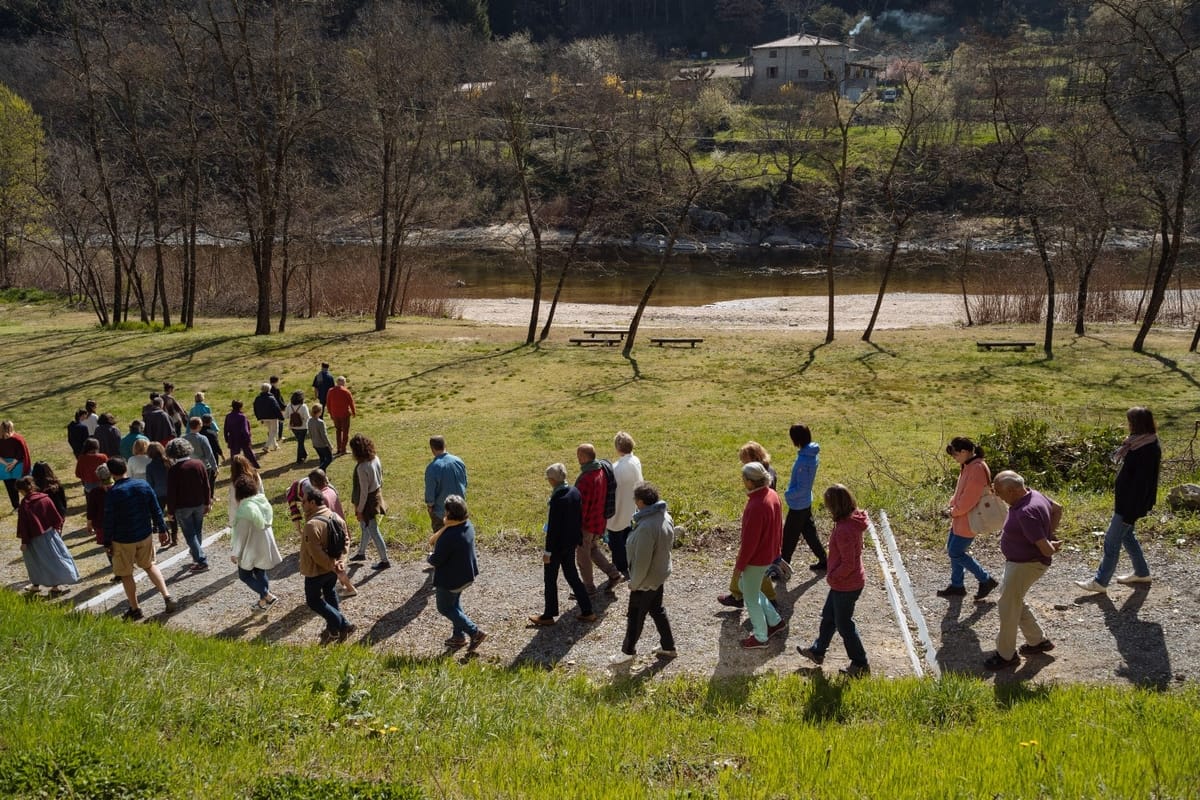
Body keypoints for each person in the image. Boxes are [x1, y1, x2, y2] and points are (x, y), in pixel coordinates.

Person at [1075, 407, 1161, 593]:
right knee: (1127, 536)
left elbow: (1142, 485)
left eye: (1130, 421)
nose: (1127, 424)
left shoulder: (1147, 449)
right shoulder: (1138, 443)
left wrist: (1130, 513)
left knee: (1111, 541)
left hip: (1129, 506)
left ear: (1137, 424)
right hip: (1126, 503)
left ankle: (1100, 582)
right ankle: (1142, 573)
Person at [985, 470, 1062, 670]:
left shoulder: (1025, 513)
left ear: (1012, 490)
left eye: (999, 491)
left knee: (1008, 607)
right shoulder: (1034, 494)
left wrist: (1051, 542)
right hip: (1021, 563)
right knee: (1014, 600)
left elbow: (1047, 549)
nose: (997, 495)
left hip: (1025, 564)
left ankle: (1006, 655)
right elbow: (1057, 508)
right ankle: (1037, 641)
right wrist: (1050, 532)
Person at [796, 484, 871, 677]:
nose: (826, 507)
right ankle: (817, 651)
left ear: (835, 506)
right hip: (845, 583)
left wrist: (833, 575)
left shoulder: (844, 530)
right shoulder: (851, 521)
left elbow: (849, 563)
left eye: (828, 504)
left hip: (846, 584)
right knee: (829, 617)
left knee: (844, 624)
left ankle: (860, 663)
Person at [610, 481, 676, 666]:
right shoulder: (665, 516)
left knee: (635, 616)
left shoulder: (646, 526)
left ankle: (627, 652)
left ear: (641, 502)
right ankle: (668, 647)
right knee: (656, 609)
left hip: (646, 580)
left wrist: (635, 583)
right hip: (660, 573)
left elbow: (642, 561)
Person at [103, 458, 177, 620]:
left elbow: (109, 520)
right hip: (144, 534)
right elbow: (156, 509)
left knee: (126, 574)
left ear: (111, 474)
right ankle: (167, 596)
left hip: (123, 539)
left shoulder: (113, 493)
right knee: (150, 565)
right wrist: (163, 529)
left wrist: (107, 541)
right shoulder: (143, 485)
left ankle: (135, 609)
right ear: (125, 469)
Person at [529, 463, 596, 626]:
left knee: (550, 579)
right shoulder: (574, 491)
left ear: (553, 480)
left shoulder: (557, 500)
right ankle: (587, 610)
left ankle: (548, 614)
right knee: (572, 576)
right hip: (571, 542)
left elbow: (553, 530)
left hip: (557, 546)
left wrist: (547, 552)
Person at [938, 437, 1000, 601]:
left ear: (964, 452)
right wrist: (952, 507)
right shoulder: (969, 465)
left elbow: (969, 498)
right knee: (953, 550)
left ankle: (986, 579)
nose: (955, 458)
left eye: (955, 455)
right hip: (960, 518)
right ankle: (957, 586)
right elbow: (961, 492)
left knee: (955, 552)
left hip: (968, 519)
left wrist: (954, 512)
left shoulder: (977, 468)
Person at [719, 444, 779, 609]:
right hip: (767, 540)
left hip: (761, 540)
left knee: (751, 567)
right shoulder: (767, 484)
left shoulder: (762, 490)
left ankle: (746, 599)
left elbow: (763, 512)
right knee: (760, 571)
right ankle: (743, 596)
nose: (742, 465)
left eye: (744, 461)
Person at [736, 461, 786, 649]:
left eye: (743, 479)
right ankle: (775, 621)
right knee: (746, 586)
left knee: (749, 597)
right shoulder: (772, 495)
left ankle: (760, 637)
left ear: (750, 482)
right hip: (770, 554)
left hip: (756, 560)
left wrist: (740, 565)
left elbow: (749, 543)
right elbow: (779, 527)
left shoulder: (755, 506)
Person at [428, 494, 486, 650]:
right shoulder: (467, 525)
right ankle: (458, 637)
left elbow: (436, 560)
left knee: (445, 608)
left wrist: (430, 557)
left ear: (449, 513)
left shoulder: (448, 535)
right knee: (454, 605)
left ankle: (475, 632)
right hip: (466, 575)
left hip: (451, 580)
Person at [300, 488, 356, 644]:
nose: (301, 504)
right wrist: (341, 562)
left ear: (312, 502)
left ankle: (343, 624)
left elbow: (316, 554)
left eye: (303, 501)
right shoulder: (336, 517)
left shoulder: (311, 525)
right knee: (330, 593)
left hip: (315, 571)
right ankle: (333, 630)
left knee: (313, 600)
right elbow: (346, 540)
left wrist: (332, 565)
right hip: (332, 569)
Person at [287, 469, 354, 596]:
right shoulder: (331, 490)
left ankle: (350, 588)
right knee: (339, 565)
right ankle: (348, 588)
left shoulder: (320, 498)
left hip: (329, 536)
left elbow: (321, 521)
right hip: (339, 531)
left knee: (336, 567)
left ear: (313, 483)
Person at [15, 476, 80, 595]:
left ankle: (36, 585)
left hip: (35, 538)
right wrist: (56, 529)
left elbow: (24, 525)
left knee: (35, 562)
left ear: (22, 490)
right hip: (51, 535)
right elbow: (55, 516)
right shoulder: (45, 498)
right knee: (55, 558)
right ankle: (55, 586)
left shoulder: (26, 503)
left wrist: (24, 542)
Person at [574, 443, 623, 596]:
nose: (577, 458)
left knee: (582, 557)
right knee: (593, 550)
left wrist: (575, 526)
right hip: (599, 521)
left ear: (583, 457)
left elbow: (581, 506)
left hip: (587, 524)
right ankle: (614, 574)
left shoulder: (586, 479)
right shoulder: (601, 469)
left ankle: (588, 588)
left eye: (578, 456)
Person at [230, 475, 282, 612]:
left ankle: (267, 595)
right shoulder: (262, 501)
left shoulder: (245, 509)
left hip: (251, 547)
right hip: (264, 543)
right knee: (260, 571)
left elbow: (240, 535)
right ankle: (263, 602)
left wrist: (235, 553)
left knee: (244, 575)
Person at [783, 423, 825, 573]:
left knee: (788, 538)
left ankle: (782, 568)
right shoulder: (810, 454)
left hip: (798, 505)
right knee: (809, 533)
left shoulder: (803, 461)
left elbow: (802, 488)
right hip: (805, 502)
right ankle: (824, 560)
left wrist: (788, 494)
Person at [166, 438, 212, 573]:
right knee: (197, 531)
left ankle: (201, 559)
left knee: (189, 534)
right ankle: (197, 553)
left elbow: (171, 493)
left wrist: (170, 510)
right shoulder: (198, 464)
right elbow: (206, 485)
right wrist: (207, 502)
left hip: (182, 507)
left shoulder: (173, 470)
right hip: (199, 504)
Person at [349, 434, 389, 569]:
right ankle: (361, 552)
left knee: (373, 530)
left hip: (368, 502)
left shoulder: (362, 468)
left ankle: (385, 560)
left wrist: (359, 510)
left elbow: (364, 492)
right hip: (377, 494)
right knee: (364, 527)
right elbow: (381, 477)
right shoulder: (376, 458)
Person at [607, 431, 643, 580]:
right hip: (630, 504)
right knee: (628, 535)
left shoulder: (616, 468)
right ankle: (630, 562)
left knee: (616, 540)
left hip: (618, 507)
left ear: (618, 448)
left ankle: (620, 567)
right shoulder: (635, 461)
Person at [424, 435, 467, 531]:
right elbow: (465, 483)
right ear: (445, 445)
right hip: (460, 509)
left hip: (442, 513)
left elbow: (430, 493)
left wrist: (430, 506)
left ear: (432, 449)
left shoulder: (432, 468)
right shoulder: (458, 461)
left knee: (442, 541)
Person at [145, 441, 175, 546]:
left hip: (158, 493)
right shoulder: (170, 462)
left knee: (159, 515)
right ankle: (175, 537)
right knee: (172, 514)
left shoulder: (150, 467)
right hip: (171, 492)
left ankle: (166, 532)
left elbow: (150, 483)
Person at [0, 419, 33, 510]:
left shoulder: (15, 438)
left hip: (5, 466)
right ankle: (29, 502)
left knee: (10, 487)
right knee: (24, 484)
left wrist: (6, 464)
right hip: (17, 465)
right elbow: (21, 453)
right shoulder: (17, 438)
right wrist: (12, 464)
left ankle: (16, 506)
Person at [185, 417, 218, 497]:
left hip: (190, 466)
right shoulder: (202, 438)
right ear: (199, 425)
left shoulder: (184, 438)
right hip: (203, 466)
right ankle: (208, 499)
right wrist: (215, 467)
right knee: (206, 484)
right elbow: (209, 454)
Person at [227, 454, 264, 524]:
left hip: (244, 516)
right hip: (257, 510)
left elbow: (233, 503)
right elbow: (261, 491)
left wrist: (232, 521)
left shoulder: (234, 483)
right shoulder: (255, 475)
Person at [325, 376, 356, 455]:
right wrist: (353, 412)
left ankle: (339, 448)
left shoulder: (330, 391)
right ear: (343, 383)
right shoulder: (346, 391)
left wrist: (330, 413)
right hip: (344, 414)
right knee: (345, 431)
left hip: (335, 414)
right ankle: (343, 449)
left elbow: (328, 403)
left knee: (338, 431)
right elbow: (351, 402)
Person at [223, 400, 259, 469]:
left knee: (234, 456)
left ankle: (235, 469)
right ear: (241, 407)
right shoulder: (242, 417)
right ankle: (254, 466)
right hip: (242, 438)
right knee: (248, 453)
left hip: (233, 438)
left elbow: (225, 428)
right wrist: (248, 439)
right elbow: (245, 430)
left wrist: (227, 438)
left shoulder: (228, 416)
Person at [253, 382, 284, 452]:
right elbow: (277, 408)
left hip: (263, 417)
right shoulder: (271, 398)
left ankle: (275, 446)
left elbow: (255, 408)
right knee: (275, 431)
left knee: (271, 431)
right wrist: (281, 417)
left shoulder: (257, 398)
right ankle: (266, 446)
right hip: (272, 417)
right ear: (269, 389)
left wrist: (259, 417)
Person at [285, 390, 311, 463]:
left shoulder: (289, 406)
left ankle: (304, 454)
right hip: (303, 427)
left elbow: (286, 416)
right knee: (300, 442)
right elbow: (307, 418)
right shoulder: (303, 406)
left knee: (300, 442)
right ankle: (299, 459)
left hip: (293, 427)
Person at [307, 403, 333, 471]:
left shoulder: (309, 420)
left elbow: (310, 433)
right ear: (319, 412)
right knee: (329, 459)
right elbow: (324, 435)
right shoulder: (320, 422)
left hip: (315, 444)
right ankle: (319, 470)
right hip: (322, 445)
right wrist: (329, 445)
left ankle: (322, 476)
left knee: (322, 459)